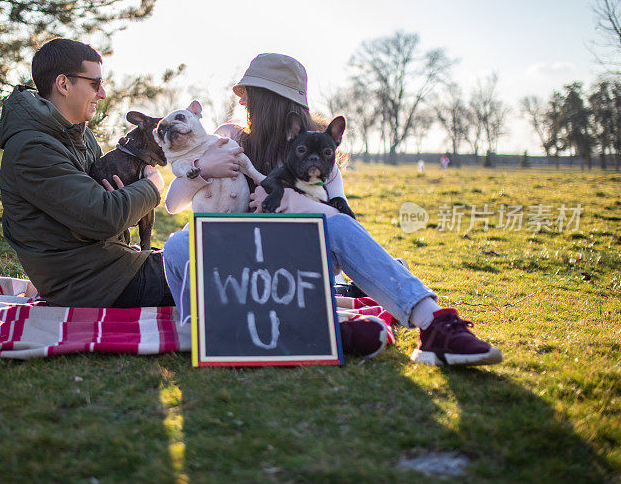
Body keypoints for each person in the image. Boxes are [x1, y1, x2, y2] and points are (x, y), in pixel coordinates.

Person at [162, 53, 502, 366]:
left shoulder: (318, 154)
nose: (240, 100)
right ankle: (219, 331)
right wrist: (201, 167)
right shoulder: (230, 136)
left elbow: (343, 233)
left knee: (336, 225)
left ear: (273, 101)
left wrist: (297, 204)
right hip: (234, 269)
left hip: (293, 269)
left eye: (249, 92)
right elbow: (174, 202)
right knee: (177, 245)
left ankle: (435, 324)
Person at [0, 38, 173, 308]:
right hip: (95, 285)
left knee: (200, 250)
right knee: (214, 270)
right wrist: (152, 187)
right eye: (95, 83)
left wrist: (124, 202)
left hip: (112, 265)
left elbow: (109, 206)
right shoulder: (32, 149)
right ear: (63, 84)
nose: (103, 94)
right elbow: (103, 216)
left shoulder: (78, 137)